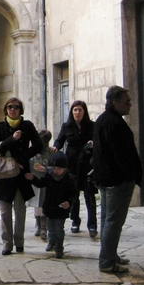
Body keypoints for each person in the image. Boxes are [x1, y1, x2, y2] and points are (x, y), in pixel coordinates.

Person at [93, 85, 142, 274]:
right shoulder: (113, 123)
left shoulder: (104, 119)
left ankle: (110, 254)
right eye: (127, 102)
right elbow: (122, 155)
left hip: (106, 179)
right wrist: (130, 176)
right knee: (113, 221)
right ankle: (107, 261)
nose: (130, 105)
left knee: (108, 219)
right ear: (115, 102)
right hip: (116, 181)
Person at [0, 97, 42, 255]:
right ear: (6, 109)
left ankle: (19, 242)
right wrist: (11, 139)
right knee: (5, 212)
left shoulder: (27, 126)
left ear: (21, 110)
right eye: (10, 107)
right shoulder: (0, 127)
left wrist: (22, 158)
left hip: (20, 173)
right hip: (5, 173)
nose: (13, 109)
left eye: (16, 107)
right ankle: (7, 243)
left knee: (20, 210)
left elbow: (38, 144)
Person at [51, 100, 97, 237]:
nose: (77, 112)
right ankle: (75, 221)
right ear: (72, 112)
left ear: (84, 112)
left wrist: (93, 144)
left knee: (89, 195)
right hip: (72, 164)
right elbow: (60, 140)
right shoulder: (67, 126)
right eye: (75, 110)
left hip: (87, 164)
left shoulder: (91, 126)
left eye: (80, 110)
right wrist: (55, 147)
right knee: (73, 194)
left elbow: (98, 140)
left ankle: (92, 225)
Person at [26, 151, 76, 258]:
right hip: (49, 207)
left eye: (59, 169)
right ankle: (51, 243)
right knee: (50, 227)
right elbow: (40, 183)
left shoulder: (69, 179)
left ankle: (59, 248)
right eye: (54, 168)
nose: (56, 171)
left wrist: (69, 202)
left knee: (58, 228)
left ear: (64, 169)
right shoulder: (49, 176)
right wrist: (33, 179)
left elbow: (73, 194)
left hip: (61, 209)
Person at [27, 129, 53, 241]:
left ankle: (43, 227)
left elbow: (55, 167)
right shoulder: (32, 152)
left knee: (43, 204)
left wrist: (46, 169)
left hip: (44, 182)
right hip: (34, 180)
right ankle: (38, 225)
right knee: (36, 204)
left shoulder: (50, 153)